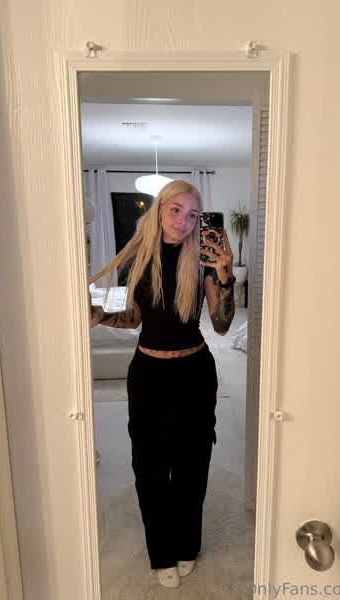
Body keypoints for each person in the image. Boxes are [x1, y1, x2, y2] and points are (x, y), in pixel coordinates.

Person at [89, 180, 236, 588]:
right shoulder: (138, 258)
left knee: (193, 463)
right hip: (149, 375)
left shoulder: (203, 261)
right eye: (176, 210)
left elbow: (222, 325)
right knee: (150, 466)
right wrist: (101, 316)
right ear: (159, 209)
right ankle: (161, 552)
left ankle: (188, 544)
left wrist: (225, 274)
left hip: (195, 373)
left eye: (193, 214)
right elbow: (135, 318)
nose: (184, 221)